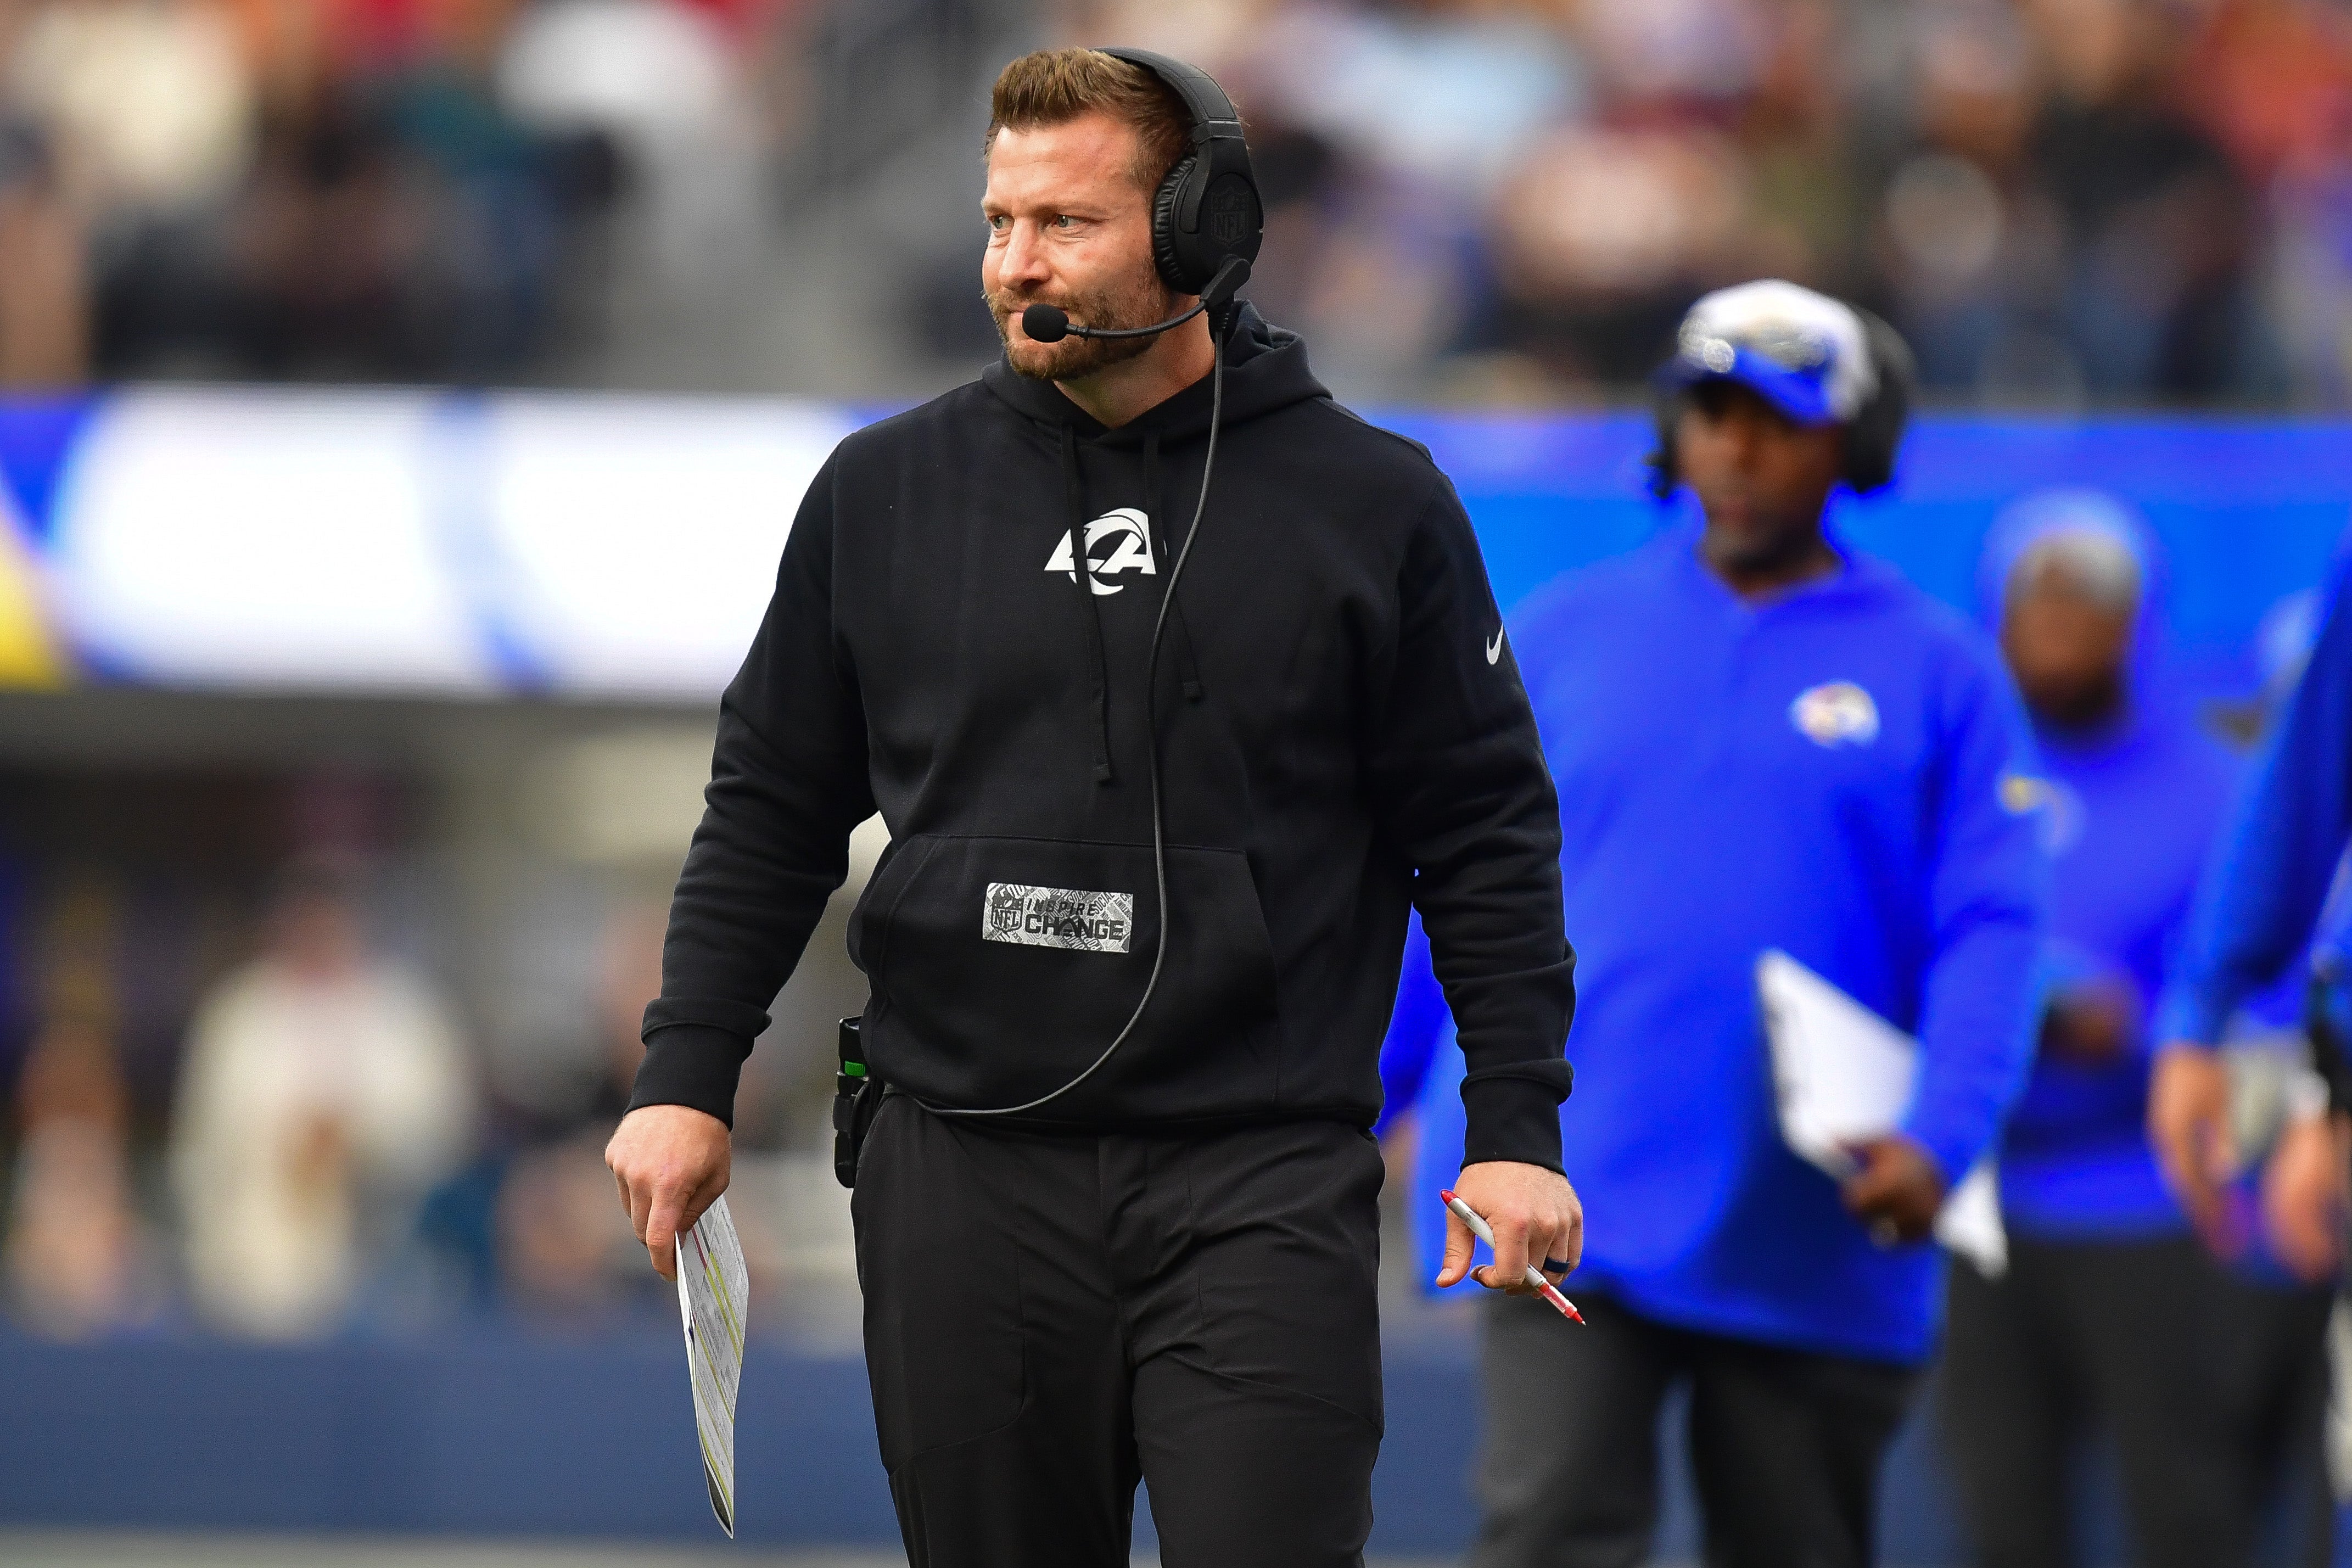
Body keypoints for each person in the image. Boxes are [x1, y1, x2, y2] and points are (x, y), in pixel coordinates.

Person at [603, 47, 1580, 1568]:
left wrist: (1515, 1125)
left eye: (1063, 223)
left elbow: (1484, 836)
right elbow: (771, 806)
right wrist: (685, 1074)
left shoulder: (1371, 503)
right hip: (959, 1175)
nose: (1013, 264)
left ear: (1198, 231)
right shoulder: (882, 492)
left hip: (1258, 1180)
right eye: (998, 222)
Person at [1387, 279, 2045, 1568]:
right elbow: (1448, 882)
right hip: (1569, 1185)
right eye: (1712, 414)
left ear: (1855, 445)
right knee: (1547, 1534)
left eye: (1780, 422)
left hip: (1816, 1214)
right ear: (1669, 428)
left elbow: (1994, 927)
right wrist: (1368, 1096)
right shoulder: (1564, 633)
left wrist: (1945, 1133)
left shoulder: (1941, 669)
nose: (1737, 451)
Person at [1937, 494, 2247, 1568]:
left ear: (2138, 621)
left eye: (2091, 605)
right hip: (1978, 1209)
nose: (2062, 629)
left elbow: (2267, 998)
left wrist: (2136, 1026)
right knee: (2002, 1522)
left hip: (2149, 1208)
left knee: (2185, 1516)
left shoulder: (2216, 792)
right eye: (2040, 603)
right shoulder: (1955, 776)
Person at [168, 858, 476, 1339]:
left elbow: (444, 1140)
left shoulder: (408, 1015)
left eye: (329, 922)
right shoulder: (237, 1018)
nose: (317, 936)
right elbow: (202, 1156)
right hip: (257, 1285)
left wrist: (359, 1141)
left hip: (392, 1276)